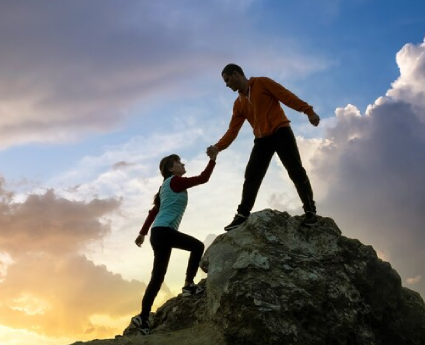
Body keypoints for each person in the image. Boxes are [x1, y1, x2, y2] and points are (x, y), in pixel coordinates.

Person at [207, 63, 320, 231]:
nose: (226, 84)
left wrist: (308, 111)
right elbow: (233, 130)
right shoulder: (239, 103)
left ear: (236, 74)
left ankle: (310, 212)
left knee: (295, 170)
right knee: (251, 175)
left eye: (227, 80)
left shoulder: (262, 83)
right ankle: (242, 215)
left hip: (281, 131)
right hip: (262, 140)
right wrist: (218, 147)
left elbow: (286, 96)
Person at [130, 151, 217, 335]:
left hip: (157, 233)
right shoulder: (175, 181)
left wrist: (142, 234)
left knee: (157, 278)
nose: (182, 164)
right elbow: (203, 178)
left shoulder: (165, 187)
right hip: (164, 231)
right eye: (179, 162)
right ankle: (188, 285)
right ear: (171, 168)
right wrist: (213, 158)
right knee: (197, 246)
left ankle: (143, 319)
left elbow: (153, 212)